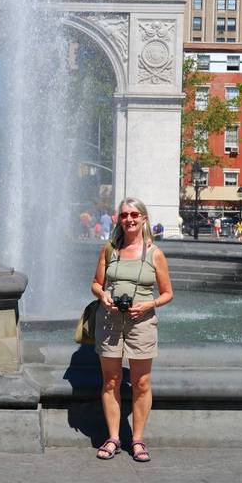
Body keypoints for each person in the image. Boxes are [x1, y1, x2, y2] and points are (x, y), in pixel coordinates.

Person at [91, 197, 173, 462]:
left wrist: (150, 303)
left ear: (144, 218)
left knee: (141, 382)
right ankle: (113, 437)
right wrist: (102, 295)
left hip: (142, 321)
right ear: (119, 219)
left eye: (134, 215)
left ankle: (137, 440)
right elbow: (96, 283)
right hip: (110, 320)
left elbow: (168, 293)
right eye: (124, 215)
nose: (129, 219)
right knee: (111, 381)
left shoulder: (155, 253)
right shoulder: (110, 249)